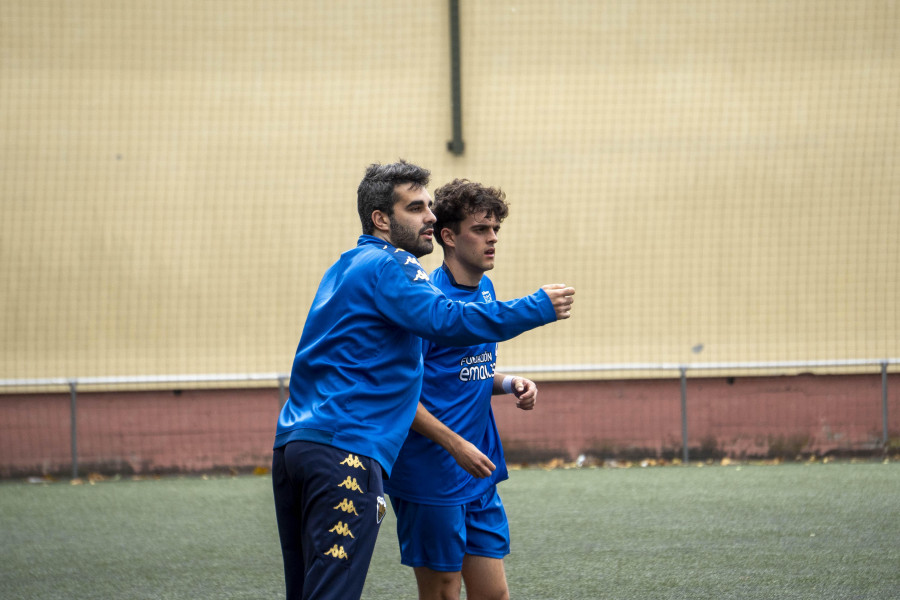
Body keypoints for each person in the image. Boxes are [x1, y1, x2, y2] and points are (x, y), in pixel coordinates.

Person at [271, 160, 575, 600]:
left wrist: (505, 383)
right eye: (416, 208)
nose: (430, 217)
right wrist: (537, 307)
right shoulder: (393, 267)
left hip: (297, 446)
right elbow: (445, 321)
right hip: (349, 452)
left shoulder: (345, 266)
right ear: (381, 219)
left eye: (429, 207)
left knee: (309, 591)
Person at [385, 179, 540, 600]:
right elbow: (400, 396)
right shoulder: (424, 302)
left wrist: (509, 382)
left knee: (494, 594)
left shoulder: (485, 291)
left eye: (495, 230)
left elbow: (460, 373)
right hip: (431, 472)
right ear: (448, 236)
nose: (492, 240)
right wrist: (455, 446)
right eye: (480, 230)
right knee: (443, 592)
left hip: (478, 468)